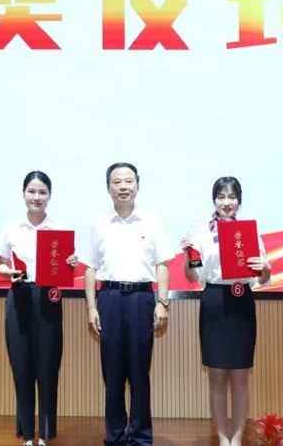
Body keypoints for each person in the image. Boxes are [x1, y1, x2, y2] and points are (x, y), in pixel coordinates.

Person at [84, 162, 174, 446]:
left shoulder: (152, 221)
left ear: (137, 185)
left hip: (141, 299)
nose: (123, 187)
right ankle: (115, 436)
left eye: (128, 181)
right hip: (109, 298)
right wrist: (91, 307)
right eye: (117, 182)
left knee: (139, 372)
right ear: (108, 188)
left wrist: (162, 302)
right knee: (112, 373)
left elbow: (162, 265)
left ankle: (140, 436)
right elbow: (90, 269)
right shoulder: (99, 223)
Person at [179, 177, 272, 446]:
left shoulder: (250, 233)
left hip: (241, 303)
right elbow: (193, 277)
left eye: (232, 197)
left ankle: (237, 438)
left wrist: (266, 269)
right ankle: (222, 438)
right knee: (217, 378)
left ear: (239, 201)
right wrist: (187, 255)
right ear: (214, 200)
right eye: (221, 197)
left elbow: (262, 278)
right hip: (214, 302)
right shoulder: (202, 233)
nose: (226, 202)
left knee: (240, 378)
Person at [0, 171, 79, 446]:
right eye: (32, 191)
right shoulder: (11, 228)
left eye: (42, 192)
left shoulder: (59, 229)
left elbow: (68, 266)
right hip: (19, 294)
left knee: (47, 366)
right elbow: (0, 264)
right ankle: (26, 435)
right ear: (23, 194)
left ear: (50, 196)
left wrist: (72, 262)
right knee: (21, 367)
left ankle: (44, 433)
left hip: (48, 297)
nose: (37, 197)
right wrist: (8, 272)